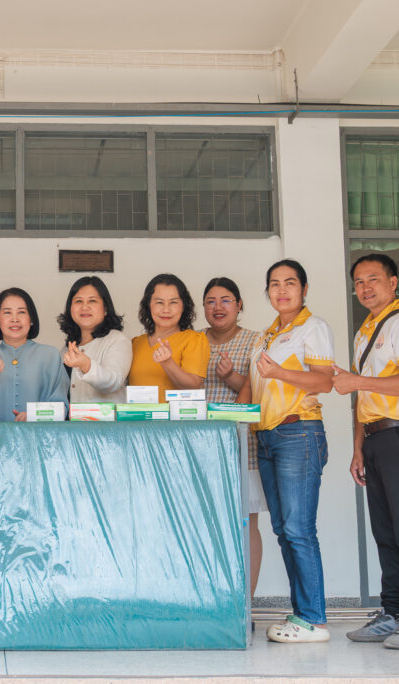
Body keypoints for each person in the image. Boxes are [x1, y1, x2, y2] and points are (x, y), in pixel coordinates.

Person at [333, 254, 399, 650]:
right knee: (385, 532)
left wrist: (357, 381)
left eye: (373, 279)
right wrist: (358, 448)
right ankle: (392, 611)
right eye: (359, 282)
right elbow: (362, 397)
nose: (365, 288)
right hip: (376, 438)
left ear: (393, 283)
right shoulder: (365, 331)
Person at [237, 259, 334, 644]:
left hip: (298, 432)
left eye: (290, 283)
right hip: (267, 438)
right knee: (283, 530)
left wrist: (279, 373)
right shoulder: (267, 336)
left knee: (299, 529)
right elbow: (252, 389)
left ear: (304, 289)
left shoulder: (313, 327)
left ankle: (314, 619)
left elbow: (324, 381)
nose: (281, 290)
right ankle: (302, 613)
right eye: (274, 284)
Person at [201, 277, 264, 601]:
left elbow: (259, 390)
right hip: (201, 447)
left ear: (239, 305)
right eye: (211, 301)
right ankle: (212, 599)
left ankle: (245, 603)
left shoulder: (256, 341)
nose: (218, 307)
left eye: (225, 300)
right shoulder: (194, 341)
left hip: (242, 447)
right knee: (205, 522)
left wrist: (230, 377)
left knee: (245, 523)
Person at [0, 287, 69, 421]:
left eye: (21, 312)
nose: (14, 319)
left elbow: (62, 408)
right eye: (7, 312)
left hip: (39, 434)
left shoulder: (51, 356)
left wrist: (33, 416)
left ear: (31, 319)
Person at [128, 274, 209, 402]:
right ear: (148, 305)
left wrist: (168, 363)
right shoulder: (135, 343)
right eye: (159, 302)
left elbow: (193, 385)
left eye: (173, 302)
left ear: (184, 306)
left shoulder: (194, 339)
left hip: (174, 416)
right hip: (136, 415)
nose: (166, 309)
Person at [57, 276, 132, 404]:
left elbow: (113, 381)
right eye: (78, 301)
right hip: (73, 417)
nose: (84, 307)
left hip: (107, 417)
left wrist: (86, 365)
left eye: (92, 301)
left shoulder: (118, 340)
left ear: (105, 309)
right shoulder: (66, 348)